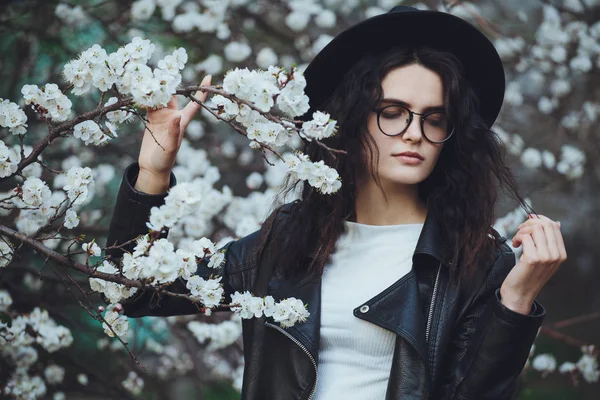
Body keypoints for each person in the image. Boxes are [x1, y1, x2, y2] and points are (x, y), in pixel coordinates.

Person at [106, 6, 567, 400]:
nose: (413, 132)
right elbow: (135, 289)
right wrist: (153, 172)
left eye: (433, 118)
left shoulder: (476, 260)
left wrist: (517, 299)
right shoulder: (286, 242)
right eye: (392, 113)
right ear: (352, 121)